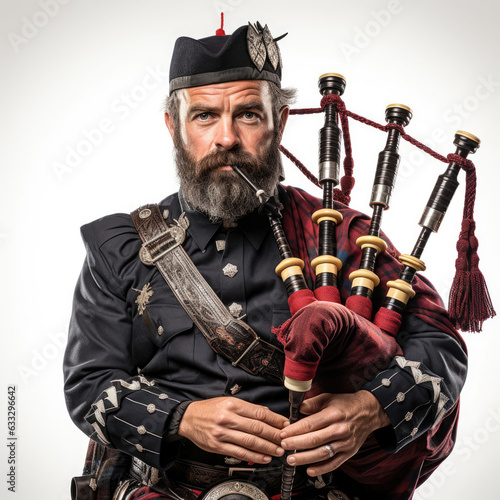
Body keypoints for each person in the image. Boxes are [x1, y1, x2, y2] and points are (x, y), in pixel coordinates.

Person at [64, 20, 467, 500]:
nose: (226, 138)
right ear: (174, 126)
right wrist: (181, 419)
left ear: (281, 122)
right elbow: (89, 384)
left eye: (249, 115)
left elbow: (442, 350)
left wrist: (369, 407)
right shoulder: (122, 246)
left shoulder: (344, 237)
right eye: (205, 116)